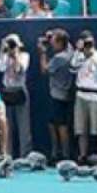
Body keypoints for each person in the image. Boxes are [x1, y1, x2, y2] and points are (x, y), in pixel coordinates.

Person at [71, 31, 97, 163]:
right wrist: (78, 52)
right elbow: (72, 68)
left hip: (95, 94)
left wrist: (92, 56)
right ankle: (82, 155)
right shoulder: (78, 56)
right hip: (81, 94)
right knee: (81, 128)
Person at [38, 29, 74, 162]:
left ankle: (63, 154)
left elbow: (44, 70)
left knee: (61, 126)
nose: (51, 43)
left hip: (58, 95)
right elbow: (66, 41)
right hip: (64, 94)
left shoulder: (59, 58)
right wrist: (50, 36)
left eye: (53, 41)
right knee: (54, 124)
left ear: (59, 42)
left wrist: (42, 53)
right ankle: (57, 152)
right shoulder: (70, 51)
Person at [0, 33, 32, 158]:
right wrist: (3, 51)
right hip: (7, 90)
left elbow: (19, 69)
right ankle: (8, 153)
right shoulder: (4, 57)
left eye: (13, 44)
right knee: (7, 124)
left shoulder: (24, 56)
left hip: (19, 90)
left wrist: (15, 55)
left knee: (23, 125)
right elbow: (0, 68)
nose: (11, 47)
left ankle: (25, 155)